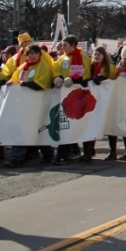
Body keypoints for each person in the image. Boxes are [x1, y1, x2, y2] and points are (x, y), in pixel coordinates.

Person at [3, 44, 55, 167]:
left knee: (40, 130)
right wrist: (9, 83)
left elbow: (43, 83)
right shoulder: (23, 67)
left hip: (38, 105)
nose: (33, 55)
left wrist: (27, 84)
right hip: (24, 106)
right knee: (23, 130)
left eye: (35, 53)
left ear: (39, 54)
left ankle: (47, 154)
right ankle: (17, 157)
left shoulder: (44, 67)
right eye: (31, 53)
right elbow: (14, 79)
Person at [52, 36, 93, 165]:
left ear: (73, 45)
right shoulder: (62, 58)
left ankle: (87, 152)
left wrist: (74, 80)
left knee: (81, 124)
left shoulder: (83, 58)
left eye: (65, 45)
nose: (63, 47)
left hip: (80, 96)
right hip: (66, 96)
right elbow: (56, 69)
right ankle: (64, 153)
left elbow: (86, 74)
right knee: (66, 124)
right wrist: (57, 78)